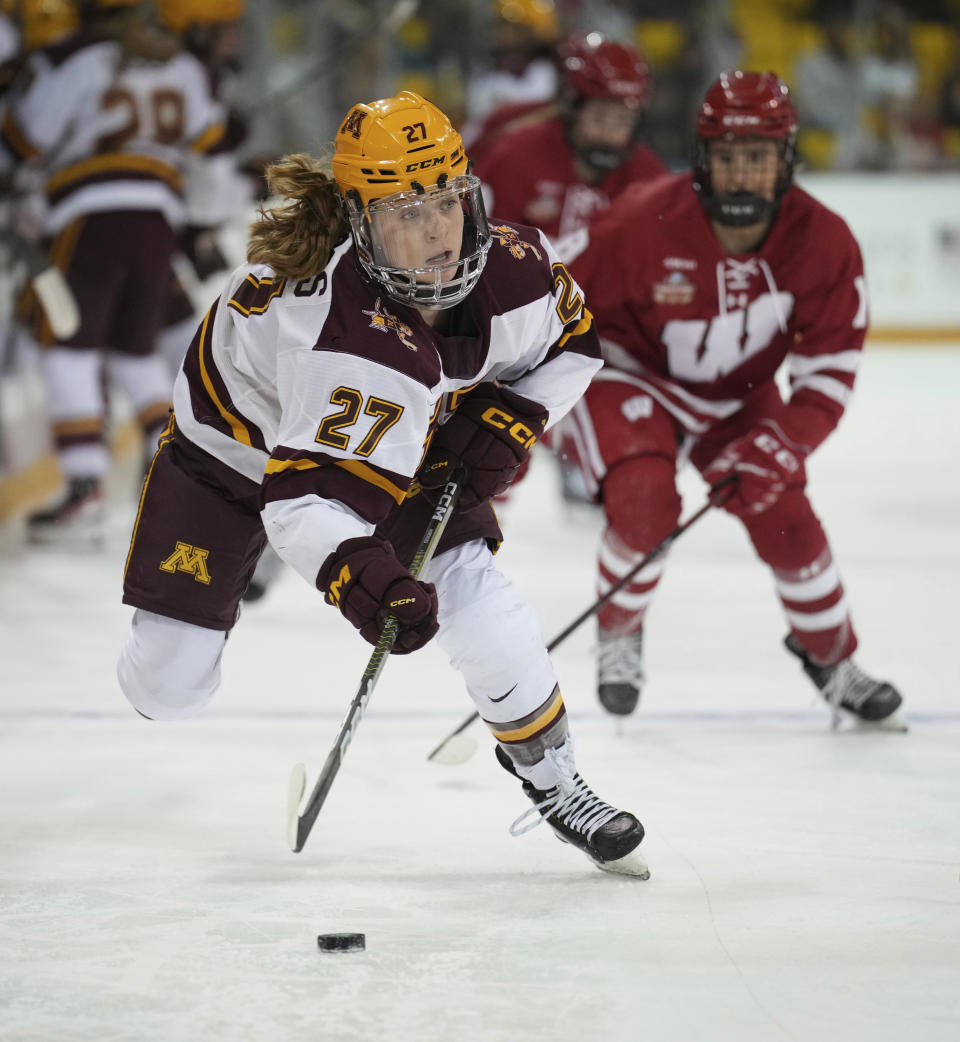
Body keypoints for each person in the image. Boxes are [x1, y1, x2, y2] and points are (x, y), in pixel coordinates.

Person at [116, 89, 648, 877]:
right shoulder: (343, 336)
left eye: (447, 204)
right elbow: (303, 504)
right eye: (405, 213)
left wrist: (513, 415)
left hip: (385, 434)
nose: (436, 234)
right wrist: (358, 576)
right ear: (362, 225)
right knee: (168, 686)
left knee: (478, 597)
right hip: (227, 456)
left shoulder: (515, 272)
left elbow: (573, 342)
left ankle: (554, 777)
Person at [563, 70, 905, 728]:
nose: (742, 174)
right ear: (702, 160)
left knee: (789, 516)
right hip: (634, 373)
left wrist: (785, 441)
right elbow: (548, 300)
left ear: (786, 158)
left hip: (740, 393)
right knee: (644, 500)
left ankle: (831, 658)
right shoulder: (639, 221)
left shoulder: (825, 241)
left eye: (757, 157)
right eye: (727, 158)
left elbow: (829, 372)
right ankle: (620, 633)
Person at [0, 0, 225, 544]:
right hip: (158, 222)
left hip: (91, 216)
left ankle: (85, 487)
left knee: (66, 346)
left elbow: (24, 141)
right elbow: (210, 143)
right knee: (132, 351)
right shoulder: (182, 64)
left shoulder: (79, 60)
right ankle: (182, 466)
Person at [474, 32, 666, 245]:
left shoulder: (648, 177)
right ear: (573, 110)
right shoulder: (516, 155)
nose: (608, 134)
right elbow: (483, 249)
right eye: (599, 117)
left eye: (623, 121)